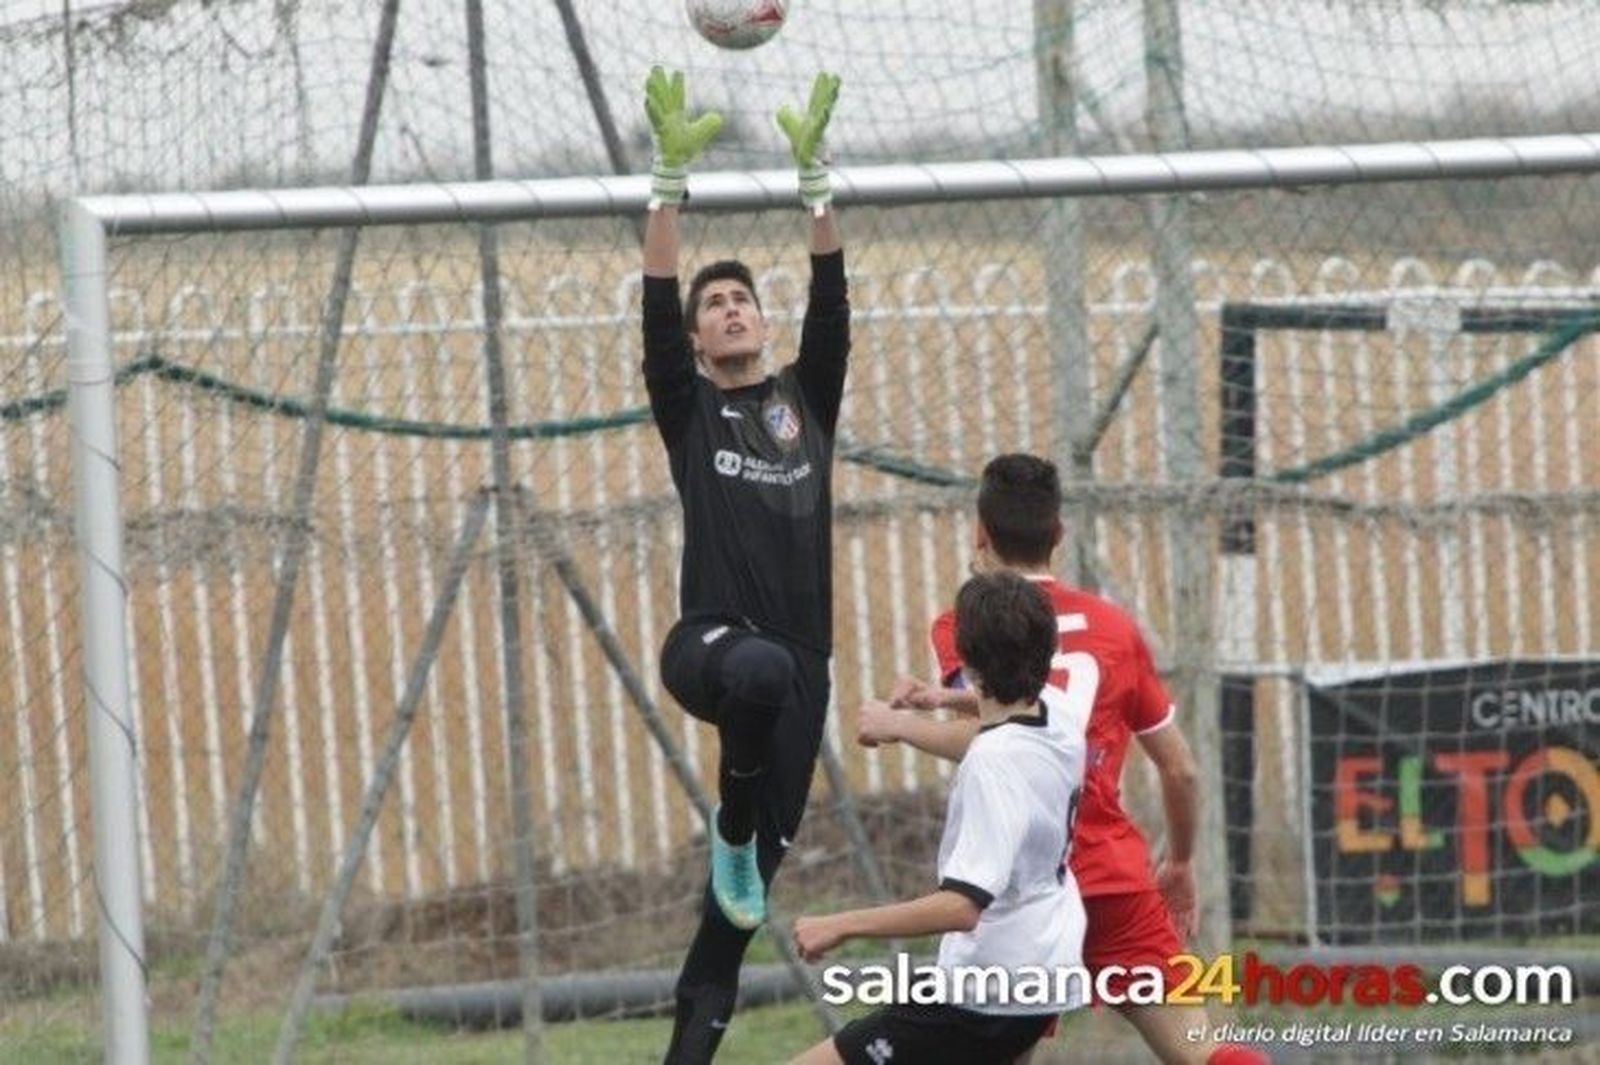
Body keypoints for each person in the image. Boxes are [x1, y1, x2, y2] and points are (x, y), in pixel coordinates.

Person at [860, 453, 1264, 1065]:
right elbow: (1181, 768)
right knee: (1206, 1052)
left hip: (1021, 889)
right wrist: (1179, 861)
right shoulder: (1114, 628)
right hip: (1114, 878)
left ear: (979, 532)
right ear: (1058, 534)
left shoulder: (965, 625)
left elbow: (994, 737)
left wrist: (903, 724)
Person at [640, 66, 848, 1064]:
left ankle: (687, 1049)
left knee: (742, 903)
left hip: (804, 668)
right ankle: (730, 819)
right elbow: (652, 309)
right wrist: (665, 188)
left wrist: (816, 189)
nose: (728, 310)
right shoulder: (693, 411)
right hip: (711, 647)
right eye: (711, 303)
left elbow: (835, 304)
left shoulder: (805, 404)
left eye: (741, 300)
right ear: (694, 336)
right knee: (757, 671)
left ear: (762, 324)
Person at [791, 571, 1090, 1065]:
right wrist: (937, 701)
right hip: (1045, 965)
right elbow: (997, 712)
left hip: (988, 990)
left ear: (968, 662)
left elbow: (961, 905)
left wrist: (842, 924)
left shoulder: (992, 765)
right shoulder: (1059, 717)